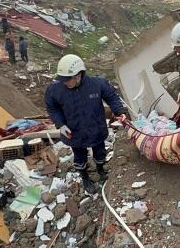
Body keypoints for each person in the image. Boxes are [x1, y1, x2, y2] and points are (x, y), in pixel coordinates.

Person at [45, 54, 128, 194]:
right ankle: (85, 177)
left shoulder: (97, 84)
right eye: (62, 79)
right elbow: (52, 107)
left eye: (67, 80)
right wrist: (61, 124)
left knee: (100, 152)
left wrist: (119, 111)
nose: (64, 83)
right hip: (74, 132)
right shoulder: (55, 89)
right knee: (79, 156)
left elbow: (112, 97)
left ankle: (101, 169)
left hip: (96, 128)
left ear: (78, 75)